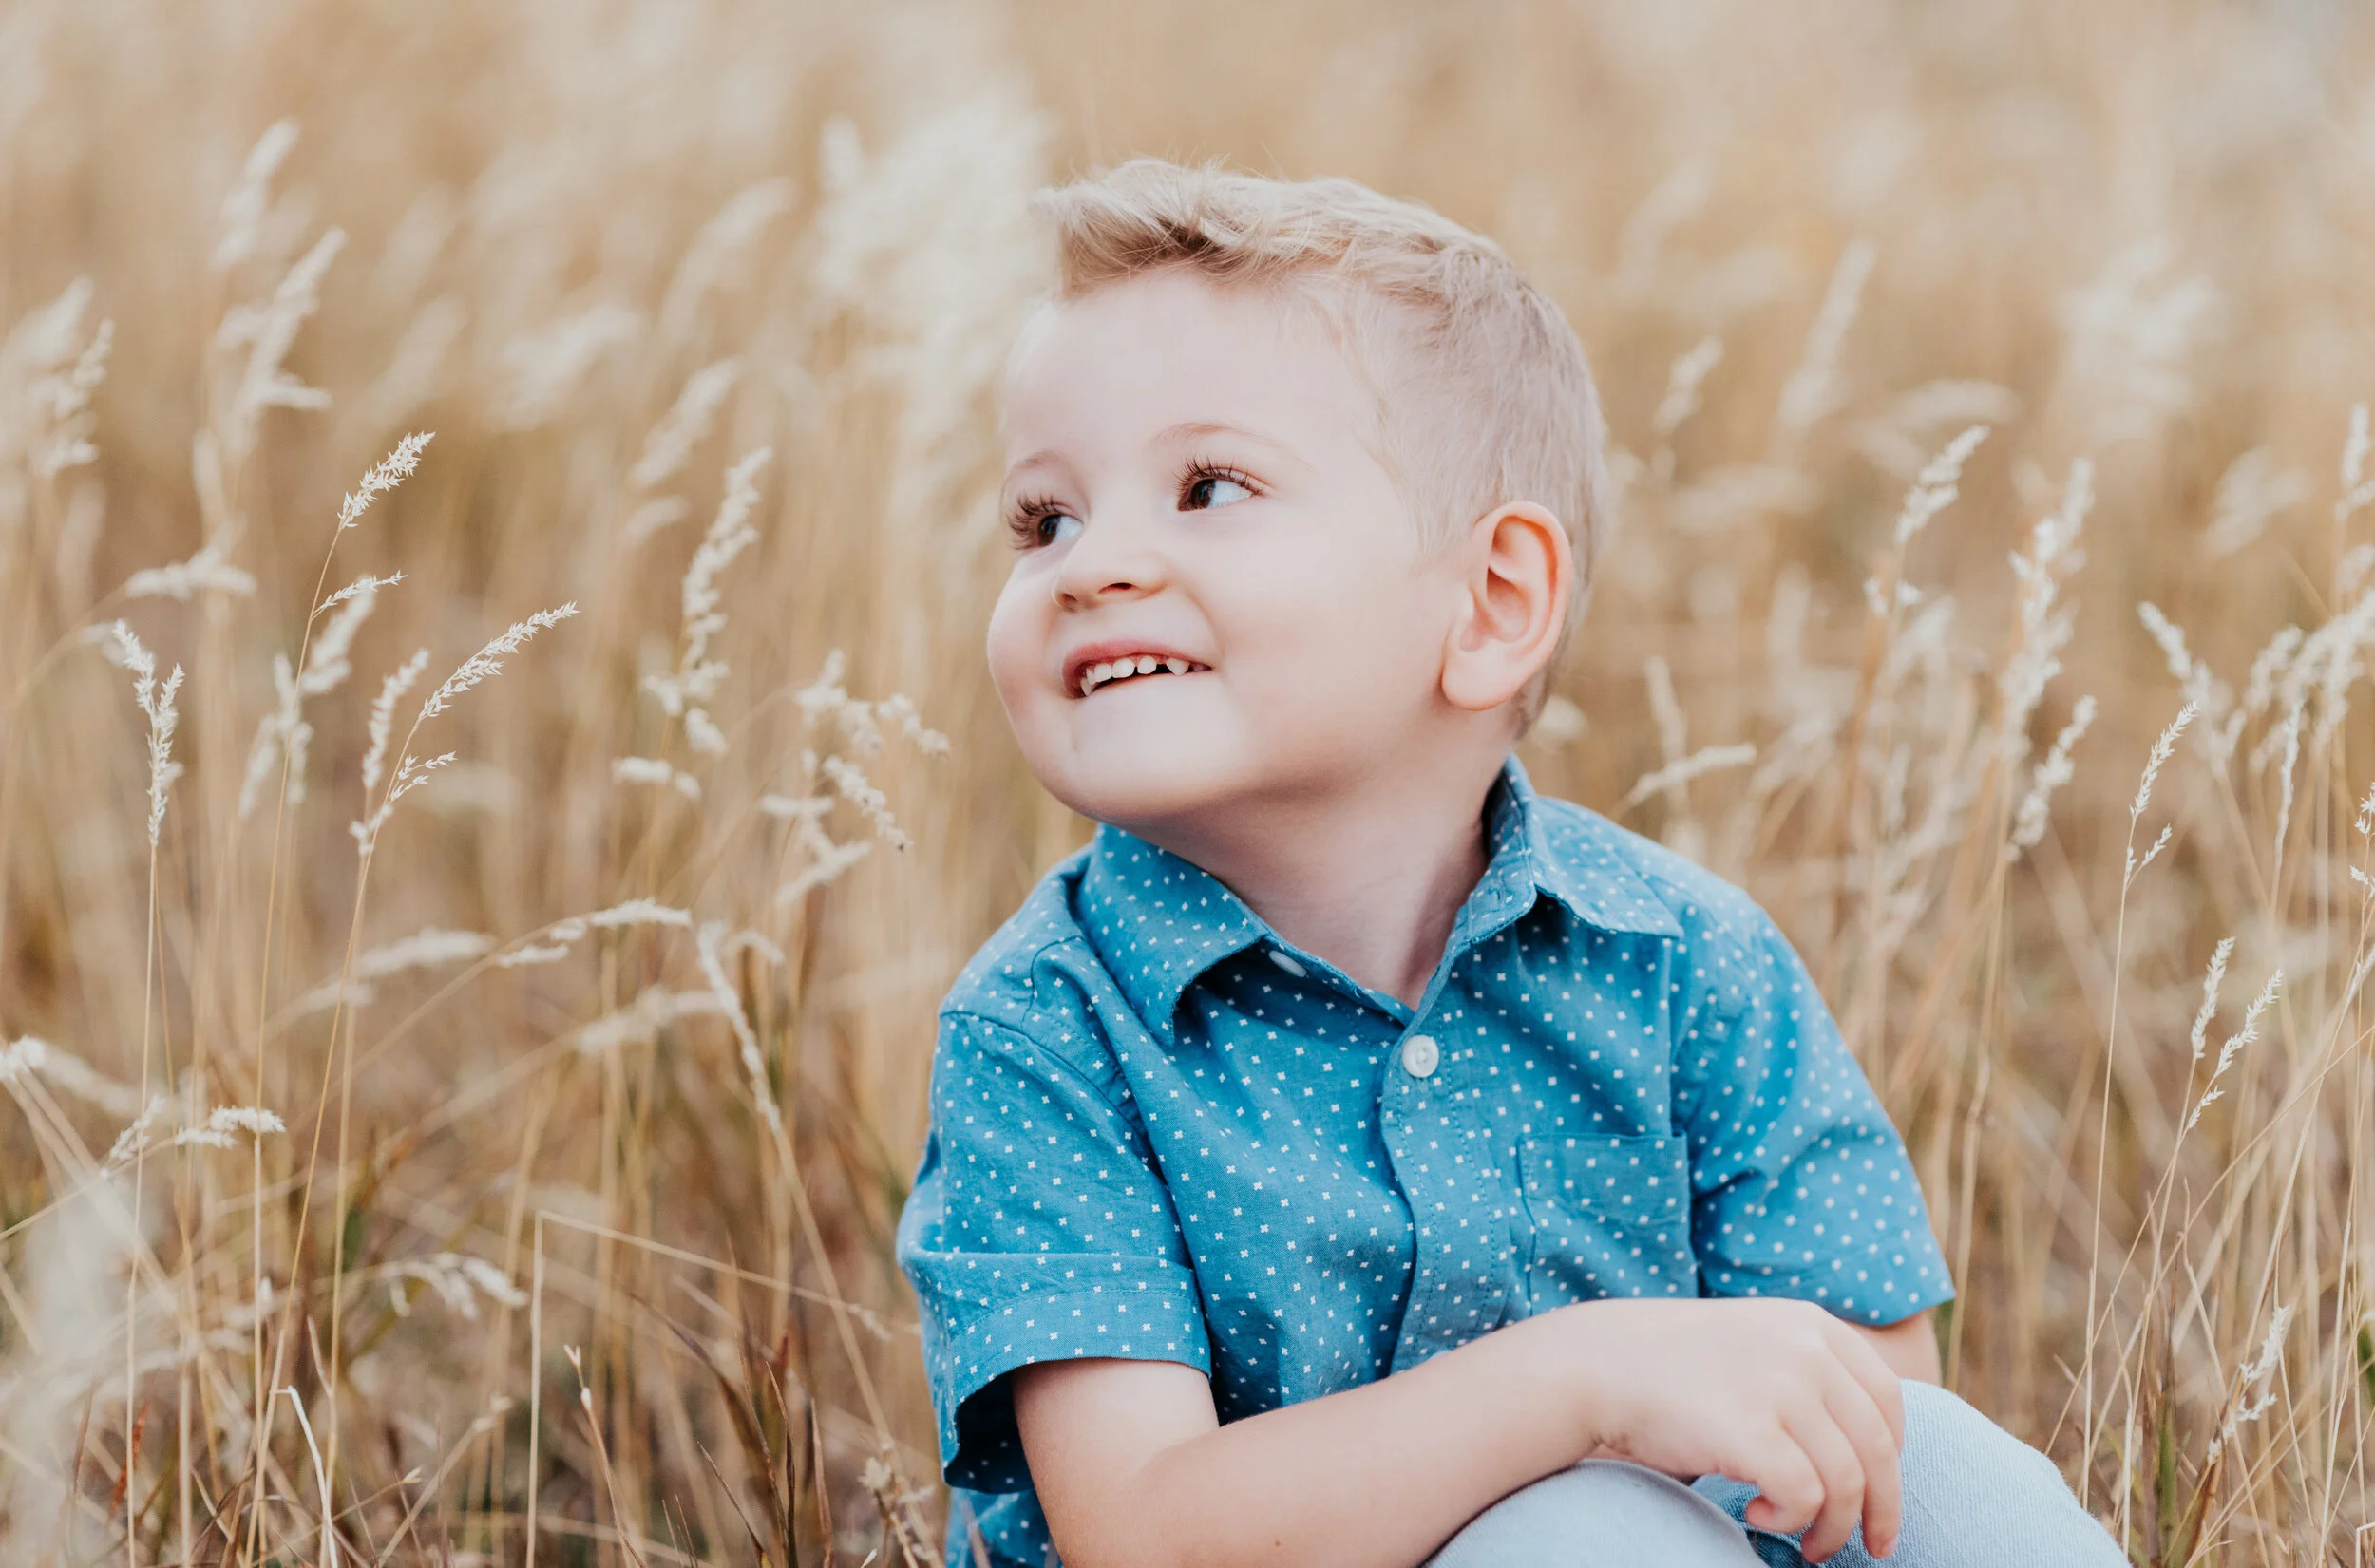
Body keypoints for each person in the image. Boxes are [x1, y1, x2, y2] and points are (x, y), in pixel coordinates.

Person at [894, 158, 2121, 1568]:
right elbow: (1149, 1533)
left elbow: (1857, 1416)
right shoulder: (1045, 1033)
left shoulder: (1685, 959)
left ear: (1492, 602)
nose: (1092, 564)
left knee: (1950, 1467)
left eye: (1207, 486)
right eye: (1044, 517)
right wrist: (1582, 1383)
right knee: (1586, 1529)